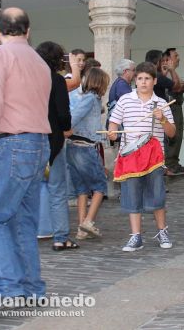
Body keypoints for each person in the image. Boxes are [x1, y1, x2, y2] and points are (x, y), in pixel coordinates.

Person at [0, 7, 52, 303]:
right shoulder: (40, 62)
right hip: (39, 144)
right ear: (28, 31)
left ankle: (9, 291)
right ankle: (31, 290)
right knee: (22, 223)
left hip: (12, 144)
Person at [108, 62, 176, 251]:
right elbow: (113, 123)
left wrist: (162, 119)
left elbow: (171, 133)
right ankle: (136, 236)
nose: (143, 82)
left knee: (157, 194)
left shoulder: (161, 103)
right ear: (134, 80)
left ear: (154, 81)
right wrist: (112, 132)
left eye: (147, 78)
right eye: (139, 78)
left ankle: (162, 231)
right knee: (132, 194)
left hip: (154, 157)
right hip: (130, 155)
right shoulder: (124, 100)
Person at [35, 41, 77, 251]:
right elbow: (63, 113)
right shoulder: (56, 80)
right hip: (53, 140)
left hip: (29, 139)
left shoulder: (27, 80)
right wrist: (66, 127)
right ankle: (60, 238)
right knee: (57, 190)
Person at [68, 67, 110, 241]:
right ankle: (88, 221)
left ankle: (81, 229)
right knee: (100, 186)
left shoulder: (89, 99)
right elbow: (73, 118)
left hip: (74, 147)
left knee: (82, 189)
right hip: (83, 147)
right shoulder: (91, 98)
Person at [162, 48, 184, 173]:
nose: (178, 58)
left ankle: (174, 161)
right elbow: (178, 87)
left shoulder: (173, 72)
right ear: (167, 59)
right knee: (172, 135)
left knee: (178, 135)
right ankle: (169, 163)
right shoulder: (165, 72)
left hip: (177, 106)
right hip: (170, 107)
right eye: (175, 56)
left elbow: (183, 85)